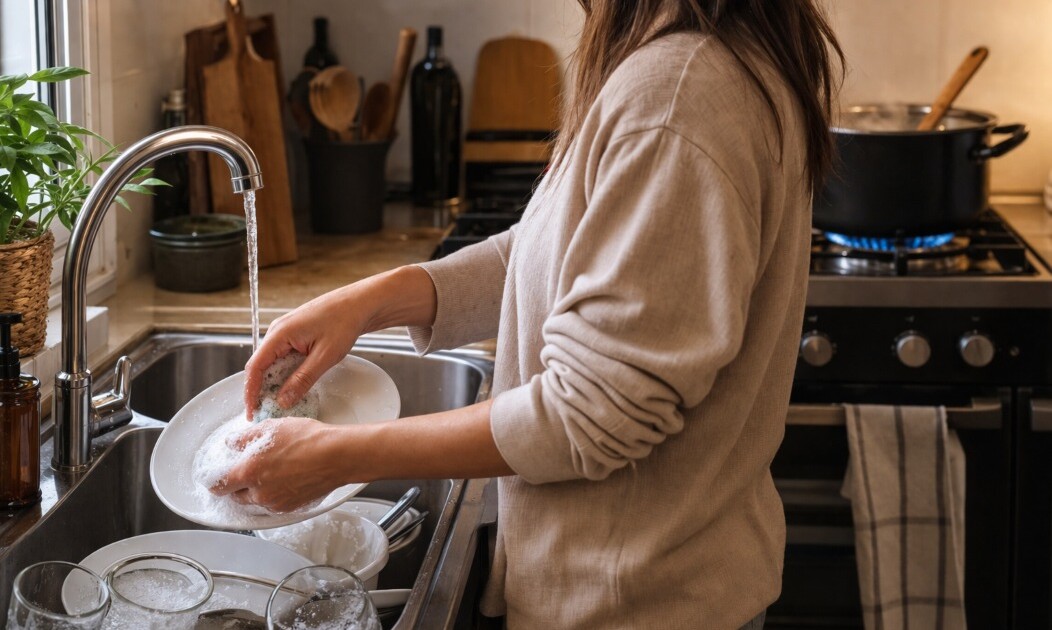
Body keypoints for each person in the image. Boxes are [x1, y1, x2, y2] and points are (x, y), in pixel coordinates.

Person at [213, 1, 843, 627]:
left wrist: (338, 456)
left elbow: (591, 411)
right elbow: (565, 249)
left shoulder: (675, 95)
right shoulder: (700, 58)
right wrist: (376, 299)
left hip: (632, 603)